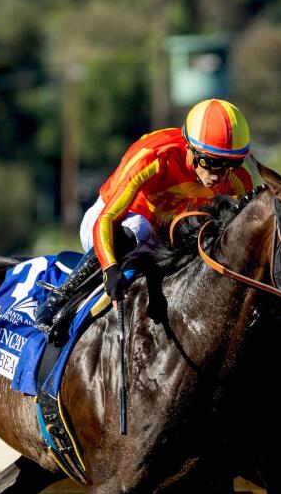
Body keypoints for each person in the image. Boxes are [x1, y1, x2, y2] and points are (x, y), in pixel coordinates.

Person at [35, 98, 255, 339]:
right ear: (190, 148)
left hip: (161, 239)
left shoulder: (237, 180)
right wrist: (110, 268)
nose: (219, 175)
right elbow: (106, 220)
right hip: (111, 226)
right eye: (211, 163)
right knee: (139, 227)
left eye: (231, 164)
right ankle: (59, 299)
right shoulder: (153, 156)